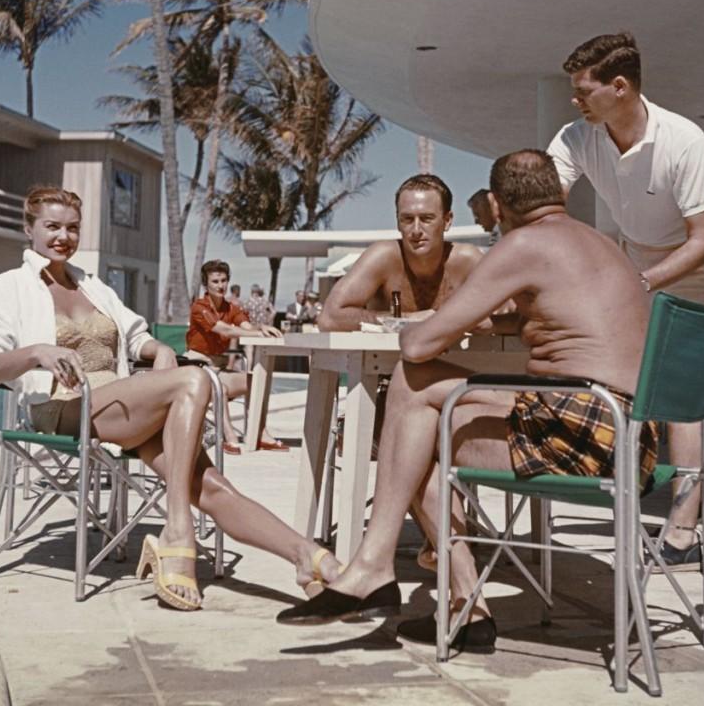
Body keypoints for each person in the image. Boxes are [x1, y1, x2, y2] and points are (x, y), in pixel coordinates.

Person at [277, 151, 657, 651]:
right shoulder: (602, 244)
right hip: (635, 435)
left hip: (580, 436)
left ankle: (378, 567)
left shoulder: (521, 245)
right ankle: (463, 604)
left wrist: (439, 317)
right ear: (560, 195)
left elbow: (416, 346)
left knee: (414, 389)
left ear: (496, 207)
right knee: (416, 437)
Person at [0, 186, 339, 612]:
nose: (63, 237)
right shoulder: (6, 288)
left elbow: (135, 337)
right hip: (65, 408)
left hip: (123, 409)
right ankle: (179, 530)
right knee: (194, 381)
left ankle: (306, 557)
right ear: (28, 227)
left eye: (72, 228)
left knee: (213, 487)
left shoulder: (92, 286)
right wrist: (38, 352)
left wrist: (158, 350)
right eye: (51, 227)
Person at [546, 32, 704, 569]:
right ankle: (636, 479)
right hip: (637, 255)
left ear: (620, 87)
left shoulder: (685, 140)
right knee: (624, 373)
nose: (574, 100)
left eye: (584, 90)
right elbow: (544, 205)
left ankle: (683, 527)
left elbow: (701, 239)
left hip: (699, 260)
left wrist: (643, 282)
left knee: (682, 390)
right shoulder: (577, 136)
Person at [319, 174, 484, 331]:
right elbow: (329, 318)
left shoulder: (466, 261)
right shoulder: (383, 257)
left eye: (427, 219)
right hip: (387, 360)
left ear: (447, 221)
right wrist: (408, 319)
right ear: (398, 221)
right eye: (407, 219)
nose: (416, 230)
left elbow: (507, 315)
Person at [186, 261, 289, 453]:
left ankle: (259, 433)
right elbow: (222, 329)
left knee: (256, 382)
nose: (221, 285)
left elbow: (245, 326)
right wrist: (256, 333)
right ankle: (228, 436)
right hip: (197, 365)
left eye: (224, 280)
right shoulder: (199, 307)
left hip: (218, 366)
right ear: (206, 284)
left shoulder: (231, 308)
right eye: (215, 281)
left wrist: (261, 328)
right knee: (221, 389)